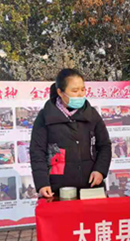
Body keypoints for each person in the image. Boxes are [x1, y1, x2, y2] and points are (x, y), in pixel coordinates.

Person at [30, 69, 112, 199]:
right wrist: (42, 183)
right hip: (58, 188)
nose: (80, 94)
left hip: (91, 186)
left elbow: (104, 146)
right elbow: (37, 151)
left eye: (82, 90)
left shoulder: (92, 114)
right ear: (60, 92)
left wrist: (100, 170)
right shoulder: (45, 116)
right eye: (74, 91)